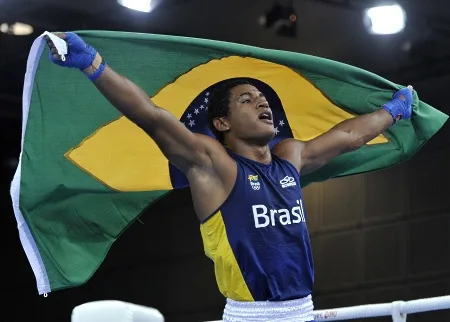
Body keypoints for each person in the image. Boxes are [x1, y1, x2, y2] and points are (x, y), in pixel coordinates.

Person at [45, 32, 413, 322]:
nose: (262, 103)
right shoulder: (213, 167)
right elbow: (153, 116)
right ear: (221, 123)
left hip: (304, 311)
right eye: (247, 99)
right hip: (251, 317)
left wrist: (394, 110)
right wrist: (93, 65)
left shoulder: (291, 157)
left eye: (263, 98)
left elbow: (349, 137)